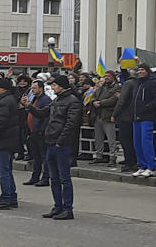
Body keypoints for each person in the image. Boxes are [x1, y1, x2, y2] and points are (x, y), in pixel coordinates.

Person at [38, 76, 81, 220]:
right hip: (50, 142)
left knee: (64, 178)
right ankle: (58, 206)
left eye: (55, 85)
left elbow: (71, 124)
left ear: (62, 86)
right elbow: (43, 112)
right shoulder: (56, 101)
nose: (53, 87)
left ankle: (67, 209)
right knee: (53, 177)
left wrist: (60, 141)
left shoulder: (72, 101)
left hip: (62, 144)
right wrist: (28, 107)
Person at [0, 77, 20, 209]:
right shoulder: (7, 100)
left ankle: (6, 198)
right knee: (7, 170)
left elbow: (0, 121)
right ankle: (11, 197)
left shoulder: (5, 102)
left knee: (3, 171)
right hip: (8, 140)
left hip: (4, 140)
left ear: (2, 88)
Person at [130, 64, 156, 177]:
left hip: (147, 117)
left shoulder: (152, 82)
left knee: (146, 141)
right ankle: (142, 165)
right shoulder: (137, 83)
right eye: (138, 70)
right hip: (136, 116)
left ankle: (151, 166)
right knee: (137, 142)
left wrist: (148, 107)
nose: (140, 72)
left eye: (142, 69)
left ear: (147, 71)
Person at [22, 79, 52, 186]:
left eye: (35, 88)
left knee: (44, 157)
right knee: (36, 157)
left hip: (41, 132)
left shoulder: (45, 100)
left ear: (41, 88)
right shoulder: (34, 98)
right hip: (33, 132)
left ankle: (45, 178)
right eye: (32, 88)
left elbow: (43, 115)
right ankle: (35, 177)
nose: (33, 90)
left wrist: (42, 129)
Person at [89, 70, 120, 165]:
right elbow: (93, 97)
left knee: (111, 139)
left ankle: (112, 157)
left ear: (113, 77)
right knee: (98, 138)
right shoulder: (101, 87)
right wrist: (93, 102)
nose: (106, 78)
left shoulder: (117, 87)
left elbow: (113, 100)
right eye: (105, 76)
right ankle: (99, 156)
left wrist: (100, 103)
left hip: (108, 115)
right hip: (98, 115)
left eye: (108, 76)